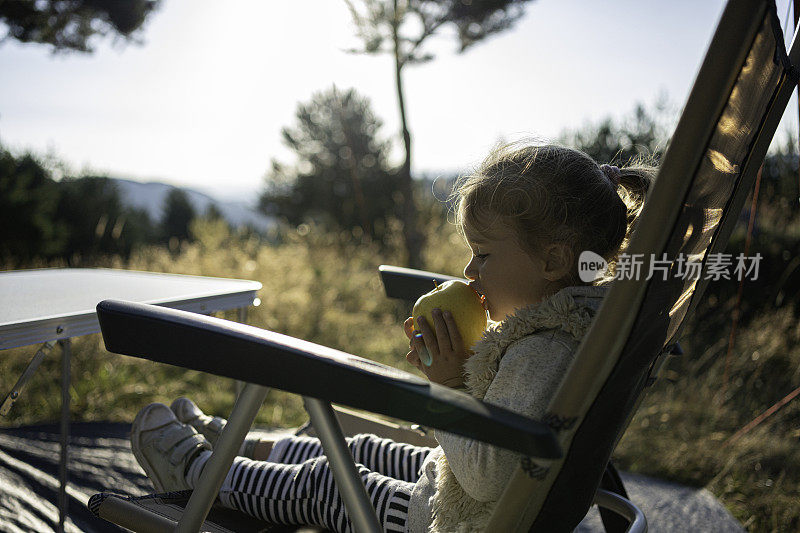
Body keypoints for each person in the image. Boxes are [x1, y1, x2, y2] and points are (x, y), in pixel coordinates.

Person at [126, 142, 654, 532]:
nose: (470, 270)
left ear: (554, 259)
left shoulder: (543, 351)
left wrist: (448, 387)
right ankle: (235, 446)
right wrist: (465, 366)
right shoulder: (572, 324)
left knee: (327, 481)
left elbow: (488, 478)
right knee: (359, 446)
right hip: (469, 491)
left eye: (485, 254)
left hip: (452, 520)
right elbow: (500, 446)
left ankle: (200, 471)